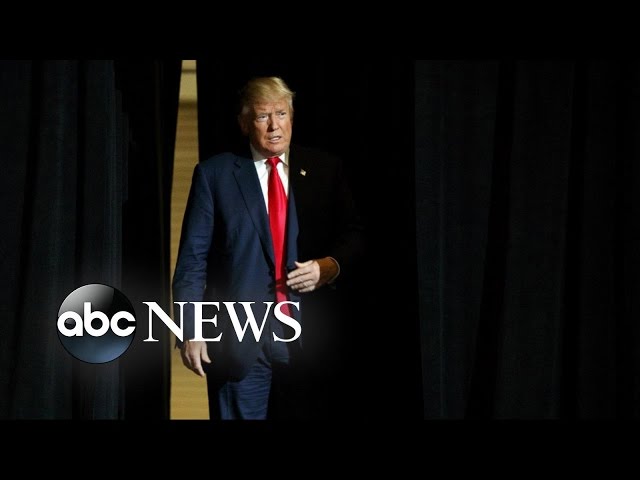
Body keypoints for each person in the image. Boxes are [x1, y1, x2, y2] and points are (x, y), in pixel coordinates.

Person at [172, 76, 363, 419]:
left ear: (292, 116)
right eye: (263, 116)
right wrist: (191, 329)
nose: (274, 126)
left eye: (281, 114)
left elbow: (354, 236)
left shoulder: (324, 170)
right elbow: (191, 263)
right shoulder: (215, 175)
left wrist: (328, 267)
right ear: (244, 123)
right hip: (238, 340)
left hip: (309, 340)